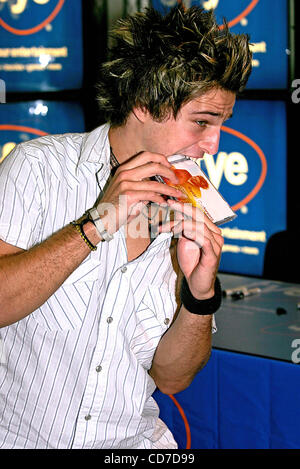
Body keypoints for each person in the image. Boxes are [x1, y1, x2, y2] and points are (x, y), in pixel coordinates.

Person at [0, 5, 252, 449]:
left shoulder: (189, 211)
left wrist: (199, 290)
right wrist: (95, 225)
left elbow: (172, 378)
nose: (213, 145)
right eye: (202, 122)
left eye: (222, 125)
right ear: (143, 103)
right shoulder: (39, 168)